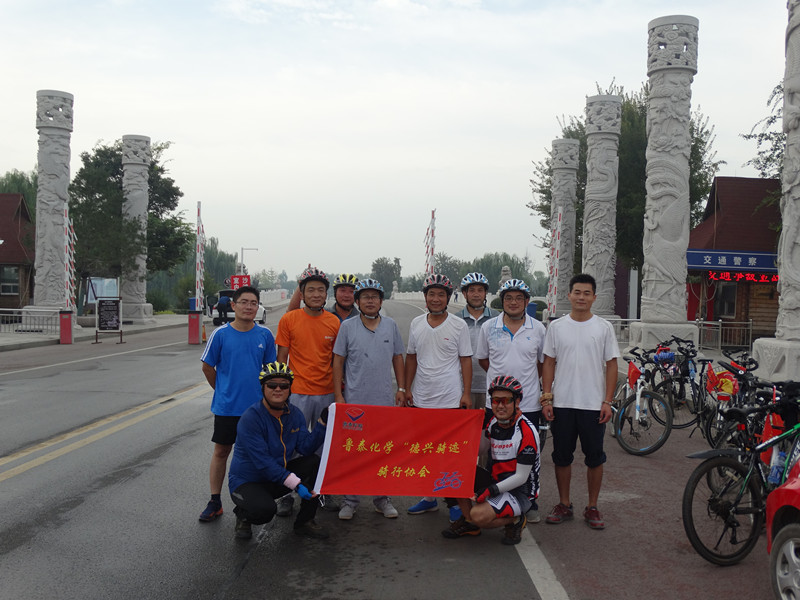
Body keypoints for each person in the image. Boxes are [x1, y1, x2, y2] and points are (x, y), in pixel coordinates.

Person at [541, 273, 619, 530]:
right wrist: (547, 398)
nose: (581, 297)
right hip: (562, 403)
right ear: (569, 295)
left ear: (594, 297)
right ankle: (564, 503)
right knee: (561, 456)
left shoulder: (603, 328)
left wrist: (607, 401)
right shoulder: (557, 327)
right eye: (577, 292)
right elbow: (549, 363)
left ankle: (592, 506)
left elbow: (611, 365)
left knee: (595, 457)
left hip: (593, 405)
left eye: (587, 293)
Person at [198, 285, 277, 522]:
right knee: (222, 451)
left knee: (255, 455)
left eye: (253, 303)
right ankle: (215, 500)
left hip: (257, 410)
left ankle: (251, 503)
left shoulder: (265, 335)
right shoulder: (220, 334)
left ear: (258, 306)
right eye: (244, 302)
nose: (248, 307)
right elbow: (207, 366)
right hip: (227, 408)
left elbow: (271, 371)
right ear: (234, 305)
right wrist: (222, 390)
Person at [228, 362, 329, 540]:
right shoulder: (251, 418)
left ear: (290, 389)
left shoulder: (294, 414)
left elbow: (305, 447)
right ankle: (243, 514)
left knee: (314, 462)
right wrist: (297, 484)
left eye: (284, 386)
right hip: (247, 481)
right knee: (265, 511)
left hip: (275, 477)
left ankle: (305, 522)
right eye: (272, 385)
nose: (278, 389)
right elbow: (263, 463)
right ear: (263, 388)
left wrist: (322, 424)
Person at [332, 278, 406, 520]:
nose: (370, 301)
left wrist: (401, 388)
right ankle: (350, 500)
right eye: (365, 297)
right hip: (355, 402)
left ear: (381, 301)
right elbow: (338, 361)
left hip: (383, 400)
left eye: (375, 297)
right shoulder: (347, 327)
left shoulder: (390, 326)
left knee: (382, 451)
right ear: (358, 301)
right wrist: (339, 395)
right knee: (353, 451)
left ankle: (382, 498)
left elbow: (397, 357)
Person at [476, 278, 546, 523]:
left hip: (528, 405)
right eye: (508, 298)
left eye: (518, 298)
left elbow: (541, 363)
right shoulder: (489, 327)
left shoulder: (538, 329)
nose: (513, 302)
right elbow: (484, 360)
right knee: (495, 452)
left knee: (529, 455)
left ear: (526, 302)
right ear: (501, 301)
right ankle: (496, 495)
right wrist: (502, 388)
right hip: (495, 405)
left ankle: (530, 501)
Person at [441, 375, 538, 545]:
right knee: (453, 471)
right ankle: (470, 523)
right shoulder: (493, 423)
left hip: (519, 491)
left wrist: (490, 491)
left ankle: (516, 519)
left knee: (479, 515)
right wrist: (474, 426)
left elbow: (521, 477)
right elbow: (479, 450)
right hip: (496, 481)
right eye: (495, 400)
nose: (500, 405)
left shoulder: (526, 432)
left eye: (506, 400)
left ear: (517, 402)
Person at [404, 273, 473, 515]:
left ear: (448, 297)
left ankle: (454, 504)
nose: (436, 299)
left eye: (441, 295)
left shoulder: (458, 325)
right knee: (425, 451)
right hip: (422, 397)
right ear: (425, 297)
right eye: (431, 294)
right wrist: (406, 388)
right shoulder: (416, 323)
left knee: (449, 453)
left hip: (450, 398)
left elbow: (465, 360)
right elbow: (411, 357)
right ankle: (429, 497)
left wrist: (466, 393)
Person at [275, 266, 340, 516]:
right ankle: (286, 494)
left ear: (326, 294)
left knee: (323, 446)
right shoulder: (289, 320)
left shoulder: (334, 322)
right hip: (297, 393)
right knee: (291, 446)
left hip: (326, 392)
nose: (315, 294)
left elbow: (337, 360)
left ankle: (322, 491)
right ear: (301, 294)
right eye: (310, 290)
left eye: (320, 290)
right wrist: (281, 392)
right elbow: (282, 358)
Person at [458, 272, 499, 411]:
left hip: (490, 386)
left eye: (480, 290)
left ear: (485, 293)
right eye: (472, 290)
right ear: (464, 294)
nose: (476, 294)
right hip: (461, 387)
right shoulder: (456, 320)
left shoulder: (497, 319)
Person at [286, 272, 359, 322]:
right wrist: (303, 282)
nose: (346, 295)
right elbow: (292, 314)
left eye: (351, 291)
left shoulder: (361, 319)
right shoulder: (321, 313)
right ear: (335, 293)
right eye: (342, 291)